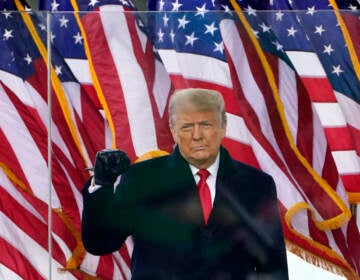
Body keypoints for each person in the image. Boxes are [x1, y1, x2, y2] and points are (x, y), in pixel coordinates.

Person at [82, 88, 289, 279]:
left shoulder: (256, 184)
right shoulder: (142, 179)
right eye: (187, 126)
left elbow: (271, 266)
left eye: (206, 125)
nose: (197, 136)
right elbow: (100, 242)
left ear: (223, 127)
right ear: (173, 131)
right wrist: (102, 183)